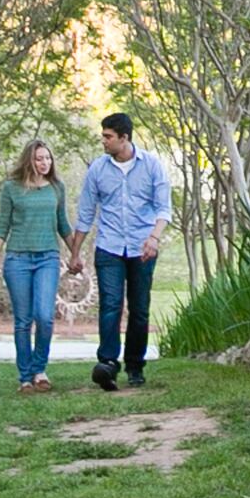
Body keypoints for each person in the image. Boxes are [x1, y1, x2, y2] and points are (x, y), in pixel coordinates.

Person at [71, 110, 172, 391]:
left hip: (143, 247)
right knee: (111, 305)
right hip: (109, 247)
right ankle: (107, 365)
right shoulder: (98, 170)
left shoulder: (152, 165)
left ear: (124, 138)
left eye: (108, 136)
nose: (103, 141)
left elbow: (164, 208)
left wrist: (154, 237)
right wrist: (75, 253)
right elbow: (86, 214)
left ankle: (135, 365)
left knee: (139, 309)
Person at [0, 140, 70, 392]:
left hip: (47, 257)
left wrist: (77, 254)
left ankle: (40, 369)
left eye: (48, 158)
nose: (44, 163)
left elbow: (63, 225)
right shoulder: (11, 188)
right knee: (23, 321)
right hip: (17, 259)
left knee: (45, 316)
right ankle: (26, 377)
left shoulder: (56, 187)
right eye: (39, 158)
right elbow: (1, 228)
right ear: (29, 160)